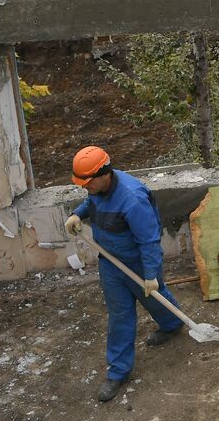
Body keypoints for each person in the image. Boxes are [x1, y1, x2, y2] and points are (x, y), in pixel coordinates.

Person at [64, 146, 183, 402]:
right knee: (120, 314)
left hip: (138, 263)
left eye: (87, 182)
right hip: (110, 262)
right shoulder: (97, 187)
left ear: (104, 174)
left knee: (154, 296)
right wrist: (78, 213)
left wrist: (150, 274)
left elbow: (149, 240)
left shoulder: (132, 198)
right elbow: (91, 201)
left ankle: (173, 325)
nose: (85, 188)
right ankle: (118, 372)